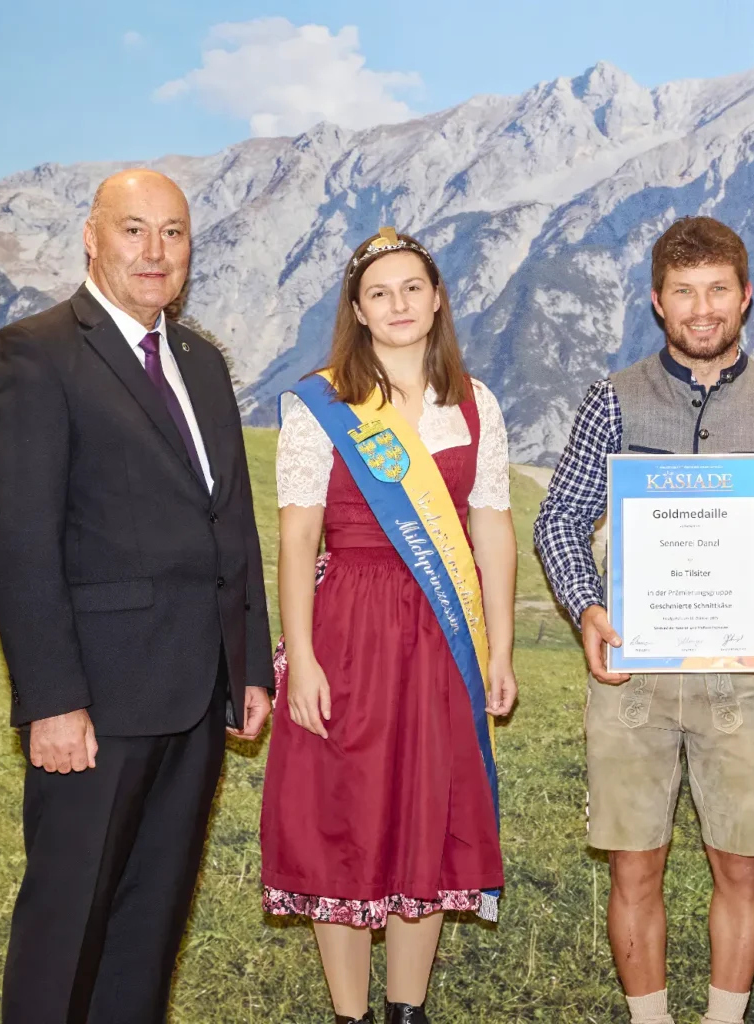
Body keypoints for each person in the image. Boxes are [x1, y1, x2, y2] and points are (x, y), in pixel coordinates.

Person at [0, 169, 274, 1023]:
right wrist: (52, 700)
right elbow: (19, 544)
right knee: (66, 930)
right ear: (92, 237)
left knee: (148, 931)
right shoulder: (34, 354)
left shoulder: (202, 364)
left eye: (173, 233)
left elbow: (230, 522)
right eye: (133, 229)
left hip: (195, 697)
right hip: (95, 706)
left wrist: (249, 664)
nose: (155, 251)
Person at [533, 216, 754, 1024]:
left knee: (740, 868)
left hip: (742, 677)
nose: (702, 309)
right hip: (631, 675)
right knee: (634, 869)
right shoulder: (613, 399)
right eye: (683, 292)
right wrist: (588, 605)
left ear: (745, 296)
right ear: (658, 302)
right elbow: (559, 518)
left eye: (717, 291)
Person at [259, 227, 518, 1024]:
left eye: (412, 288)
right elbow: (299, 536)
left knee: (426, 811)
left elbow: (492, 529)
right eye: (380, 292)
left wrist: (500, 651)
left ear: (437, 299)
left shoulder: (475, 402)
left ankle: (409, 1010)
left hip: (443, 635)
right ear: (359, 310)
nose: (398, 304)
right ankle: (351, 1014)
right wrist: (302, 658)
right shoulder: (322, 403)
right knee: (345, 809)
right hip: (350, 628)